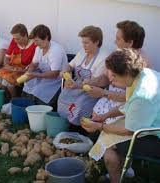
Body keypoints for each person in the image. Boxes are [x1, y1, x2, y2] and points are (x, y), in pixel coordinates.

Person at [81, 49, 160, 183]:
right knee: (110, 137)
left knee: (108, 148)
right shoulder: (141, 74)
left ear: (127, 73)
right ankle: (123, 172)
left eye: (114, 76)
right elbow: (128, 106)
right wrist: (105, 116)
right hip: (149, 120)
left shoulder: (142, 95)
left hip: (155, 136)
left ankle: (117, 177)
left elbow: (129, 130)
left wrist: (100, 126)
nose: (110, 80)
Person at [85, 20, 148, 124]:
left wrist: (104, 93)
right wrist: (92, 82)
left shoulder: (142, 63)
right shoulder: (117, 53)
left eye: (118, 39)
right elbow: (106, 76)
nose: (115, 42)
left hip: (123, 108)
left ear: (130, 42)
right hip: (107, 102)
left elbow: (132, 98)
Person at [57, 25, 109, 133]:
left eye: (86, 43)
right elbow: (70, 66)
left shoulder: (104, 57)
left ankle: (80, 130)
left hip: (91, 91)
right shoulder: (82, 53)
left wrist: (78, 86)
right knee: (62, 98)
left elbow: (97, 81)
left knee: (79, 106)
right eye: (83, 42)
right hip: (75, 86)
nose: (83, 45)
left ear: (96, 42)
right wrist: (65, 71)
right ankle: (65, 125)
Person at [22, 24, 67, 107]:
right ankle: (26, 108)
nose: (35, 44)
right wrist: (29, 72)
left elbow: (54, 73)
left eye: (36, 41)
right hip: (43, 75)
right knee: (28, 84)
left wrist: (35, 75)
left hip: (56, 80)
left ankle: (38, 111)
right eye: (34, 41)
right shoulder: (38, 48)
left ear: (46, 38)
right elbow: (34, 63)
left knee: (39, 90)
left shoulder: (56, 50)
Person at [0, 23, 36, 97]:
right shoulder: (14, 41)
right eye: (14, 38)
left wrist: (21, 70)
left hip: (24, 70)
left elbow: (34, 65)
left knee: (7, 80)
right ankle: (5, 96)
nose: (15, 41)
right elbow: (6, 57)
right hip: (13, 68)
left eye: (18, 39)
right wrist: (7, 65)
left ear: (25, 35)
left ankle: (14, 98)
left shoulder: (33, 45)